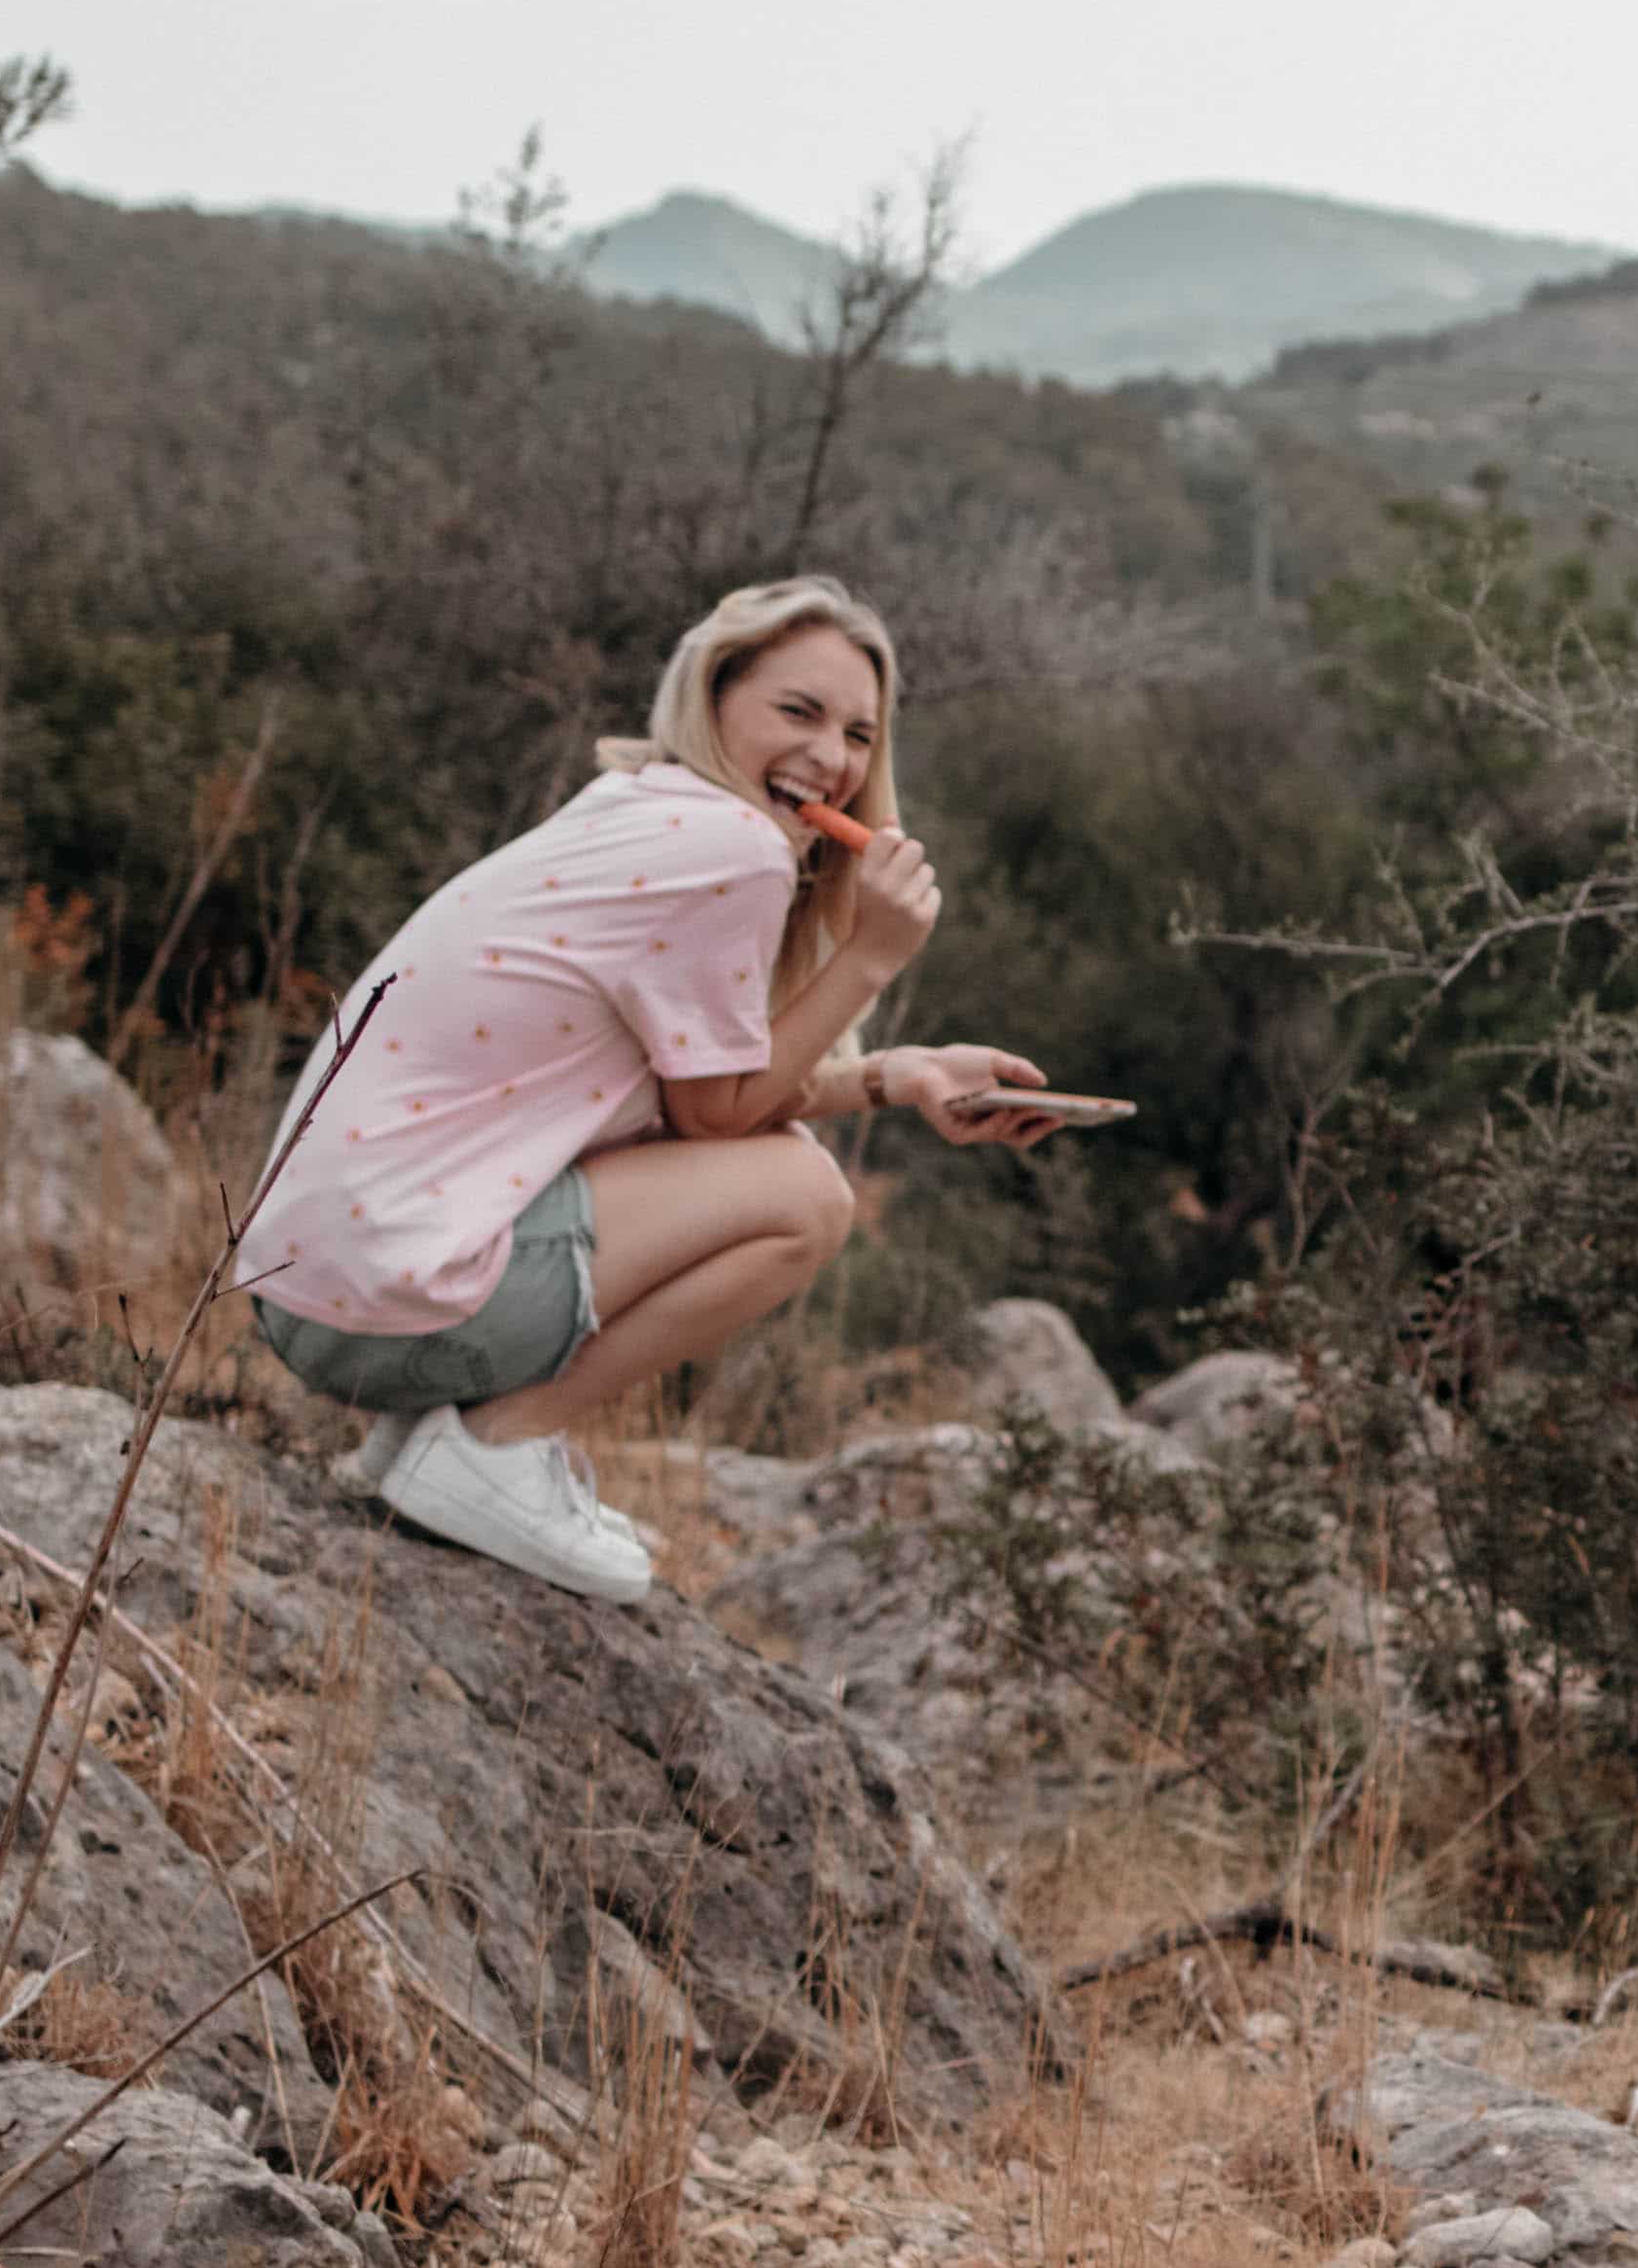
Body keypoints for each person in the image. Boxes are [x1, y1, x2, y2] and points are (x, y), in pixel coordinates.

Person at [236, 576, 1059, 1598]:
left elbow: (706, 1095)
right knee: (806, 1199)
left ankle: (420, 1442)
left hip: (314, 1292)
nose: (832, 760)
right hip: (379, 1299)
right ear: (713, 697)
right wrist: (872, 957)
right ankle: (496, 1444)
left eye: (857, 733)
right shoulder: (736, 848)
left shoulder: (644, 808)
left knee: (776, 1168)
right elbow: (716, 1118)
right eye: (795, 712)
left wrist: (904, 1074)